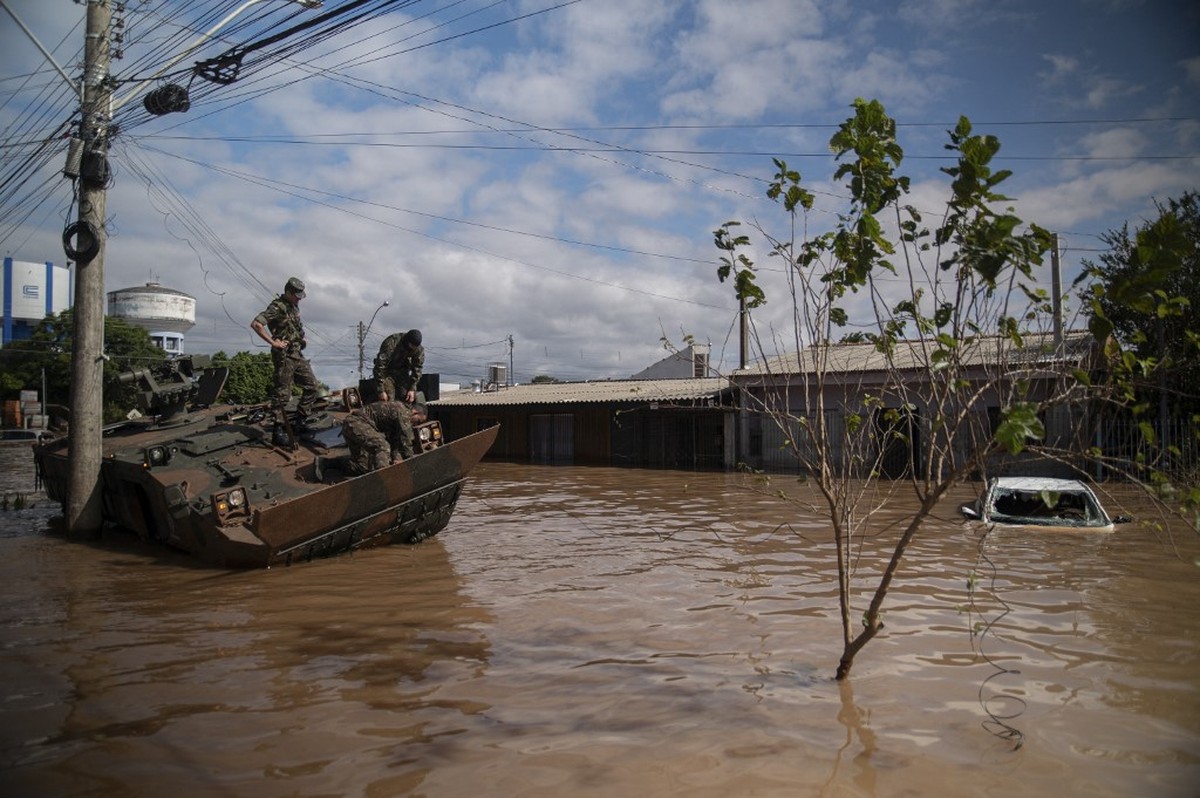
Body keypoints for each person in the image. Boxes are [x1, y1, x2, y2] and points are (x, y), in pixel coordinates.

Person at [251, 276, 320, 426]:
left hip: (297, 354)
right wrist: (273, 342)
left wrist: (302, 339)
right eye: (297, 296)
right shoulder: (277, 307)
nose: (299, 300)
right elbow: (257, 324)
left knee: (312, 386)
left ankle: (301, 419)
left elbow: (295, 327)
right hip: (284, 356)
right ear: (288, 293)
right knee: (282, 395)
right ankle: (279, 428)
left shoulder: (294, 308)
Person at [341, 400, 415, 475]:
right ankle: (383, 477)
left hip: (350, 425)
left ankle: (333, 463)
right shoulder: (404, 412)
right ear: (415, 413)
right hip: (356, 422)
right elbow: (406, 440)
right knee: (382, 446)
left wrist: (396, 458)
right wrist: (411, 464)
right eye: (417, 420)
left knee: (363, 466)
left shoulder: (395, 420)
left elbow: (394, 442)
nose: (414, 424)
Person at [373, 328, 424, 403]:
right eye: (412, 345)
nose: (413, 348)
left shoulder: (418, 349)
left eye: (415, 347)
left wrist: (412, 389)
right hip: (387, 373)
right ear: (408, 341)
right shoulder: (391, 343)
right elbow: (380, 367)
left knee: (407, 397)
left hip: (402, 373)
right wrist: (381, 390)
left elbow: (417, 369)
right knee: (389, 398)